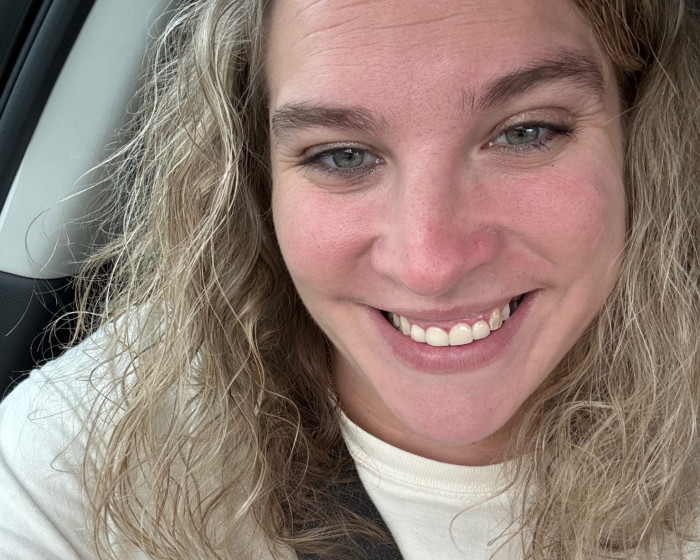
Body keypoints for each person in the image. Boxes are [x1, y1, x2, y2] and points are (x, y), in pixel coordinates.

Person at [1, 0, 699, 558]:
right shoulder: (77, 462)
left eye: (526, 132)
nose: (429, 263)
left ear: (641, 138)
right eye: (341, 155)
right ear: (254, 179)